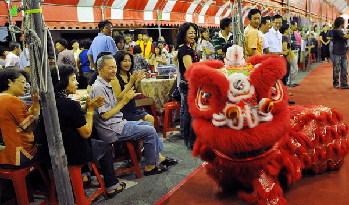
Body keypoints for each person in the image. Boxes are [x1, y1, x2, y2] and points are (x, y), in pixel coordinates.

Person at [90, 54, 177, 175]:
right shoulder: (99, 87)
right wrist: (125, 101)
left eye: (114, 67)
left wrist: (133, 84)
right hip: (112, 129)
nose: (114, 70)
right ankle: (150, 166)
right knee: (150, 131)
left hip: (118, 123)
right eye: (110, 68)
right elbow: (105, 115)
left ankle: (156, 158)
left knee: (148, 123)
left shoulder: (106, 83)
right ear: (100, 69)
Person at [48, 64, 125, 198]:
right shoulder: (70, 104)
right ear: (62, 82)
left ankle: (84, 175)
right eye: (73, 79)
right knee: (103, 146)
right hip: (71, 154)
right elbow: (86, 133)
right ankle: (112, 186)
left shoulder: (47, 101)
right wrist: (90, 110)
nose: (77, 82)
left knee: (88, 139)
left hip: (51, 152)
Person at [0, 69, 40, 168]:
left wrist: (35, 103)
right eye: (22, 82)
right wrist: (37, 108)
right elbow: (29, 127)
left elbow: (18, 118)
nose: (25, 86)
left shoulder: (3, 99)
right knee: (49, 150)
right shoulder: (12, 100)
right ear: (9, 82)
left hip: (4, 154)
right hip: (18, 156)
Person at [112, 50, 154, 124]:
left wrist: (138, 82)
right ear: (118, 62)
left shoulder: (130, 75)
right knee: (142, 123)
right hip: (121, 111)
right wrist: (131, 82)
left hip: (132, 108)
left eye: (129, 61)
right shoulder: (115, 78)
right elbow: (119, 98)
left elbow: (139, 93)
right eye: (125, 61)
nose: (128, 63)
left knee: (150, 118)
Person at [177, 22, 200, 149]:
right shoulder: (185, 50)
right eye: (190, 32)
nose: (193, 35)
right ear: (184, 33)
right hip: (189, 85)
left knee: (188, 112)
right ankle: (191, 141)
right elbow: (190, 69)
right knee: (191, 113)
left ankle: (189, 140)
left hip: (188, 84)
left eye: (194, 32)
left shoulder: (187, 47)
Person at [332, 17, 349, 89]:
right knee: (337, 68)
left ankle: (344, 83)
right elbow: (346, 36)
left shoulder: (341, 30)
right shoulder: (336, 31)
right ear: (341, 23)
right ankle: (336, 82)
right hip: (337, 52)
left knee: (344, 68)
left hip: (343, 51)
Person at [289, 20, 301, 87]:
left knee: (295, 67)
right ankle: (290, 81)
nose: (296, 26)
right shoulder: (289, 33)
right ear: (292, 25)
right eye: (295, 25)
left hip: (295, 50)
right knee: (293, 68)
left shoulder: (294, 33)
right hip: (292, 51)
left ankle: (292, 81)